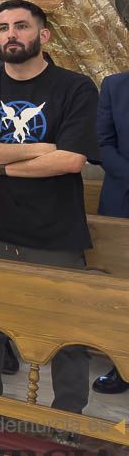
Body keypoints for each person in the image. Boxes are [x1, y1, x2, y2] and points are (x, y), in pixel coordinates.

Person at [0, 0, 100, 417]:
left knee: (66, 331)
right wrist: (37, 149)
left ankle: (66, 418)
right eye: (3, 28)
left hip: (52, 230)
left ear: (44, 35)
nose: (11, 35)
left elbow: (70, 160)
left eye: (21, 26)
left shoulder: (74, 87)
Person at [95, 69, 129, 393]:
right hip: (123, 200)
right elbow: (103, 143)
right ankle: (122, 365)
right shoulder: (115, 85)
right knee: (123, 291)